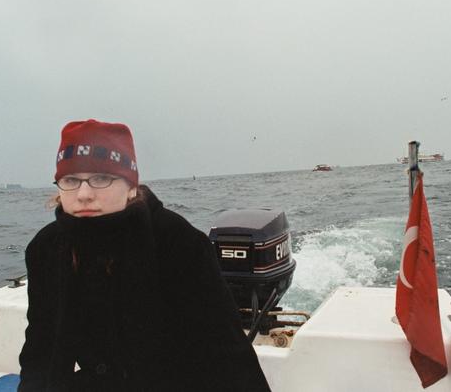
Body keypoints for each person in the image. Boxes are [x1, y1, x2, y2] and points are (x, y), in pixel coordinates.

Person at [18, 119, 271, 392]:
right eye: (71, 180)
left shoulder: (178, 242)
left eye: (101, 178)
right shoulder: (46, 249)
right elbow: (41, 350)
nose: (84, 194)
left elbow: (226, 353)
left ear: (130, 186)